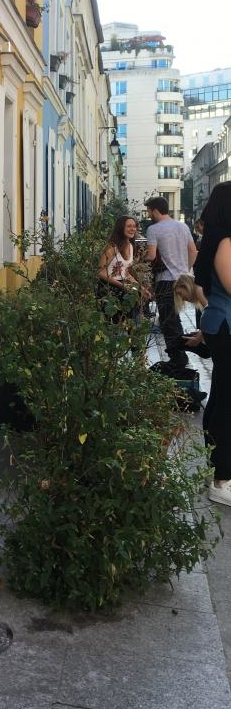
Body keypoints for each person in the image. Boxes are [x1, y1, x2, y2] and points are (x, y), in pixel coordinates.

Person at [194, 183, 231, 505]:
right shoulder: (224, 241)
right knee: (226, 401)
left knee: (221, 394)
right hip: (225, 325)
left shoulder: (216, 238)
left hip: (220, 323)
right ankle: (222, 478)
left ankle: (216, 467)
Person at [143, 196, 197, 375]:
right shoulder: (182, 226)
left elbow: (151, 256)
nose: (148, 214)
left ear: (155, 210)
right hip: (182, 279)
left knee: (168, 321)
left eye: (149, 211)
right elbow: (193, 251)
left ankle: (177, 358)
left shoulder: (153, 229)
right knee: (174, 318)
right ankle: (179, 355)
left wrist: (137, 260)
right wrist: (185, 270)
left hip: (165, 279)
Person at [97, 215, 152, 320]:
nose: (132, 229)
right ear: (121, 228)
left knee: (129, 321)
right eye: (129, 226)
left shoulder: (131, 246)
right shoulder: (112, 247)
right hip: (108, 288)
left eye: (134, 226)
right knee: (113, 322)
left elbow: (125, 273)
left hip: (124, 287)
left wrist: (141, 288)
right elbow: (100, 272)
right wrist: (122, 285)